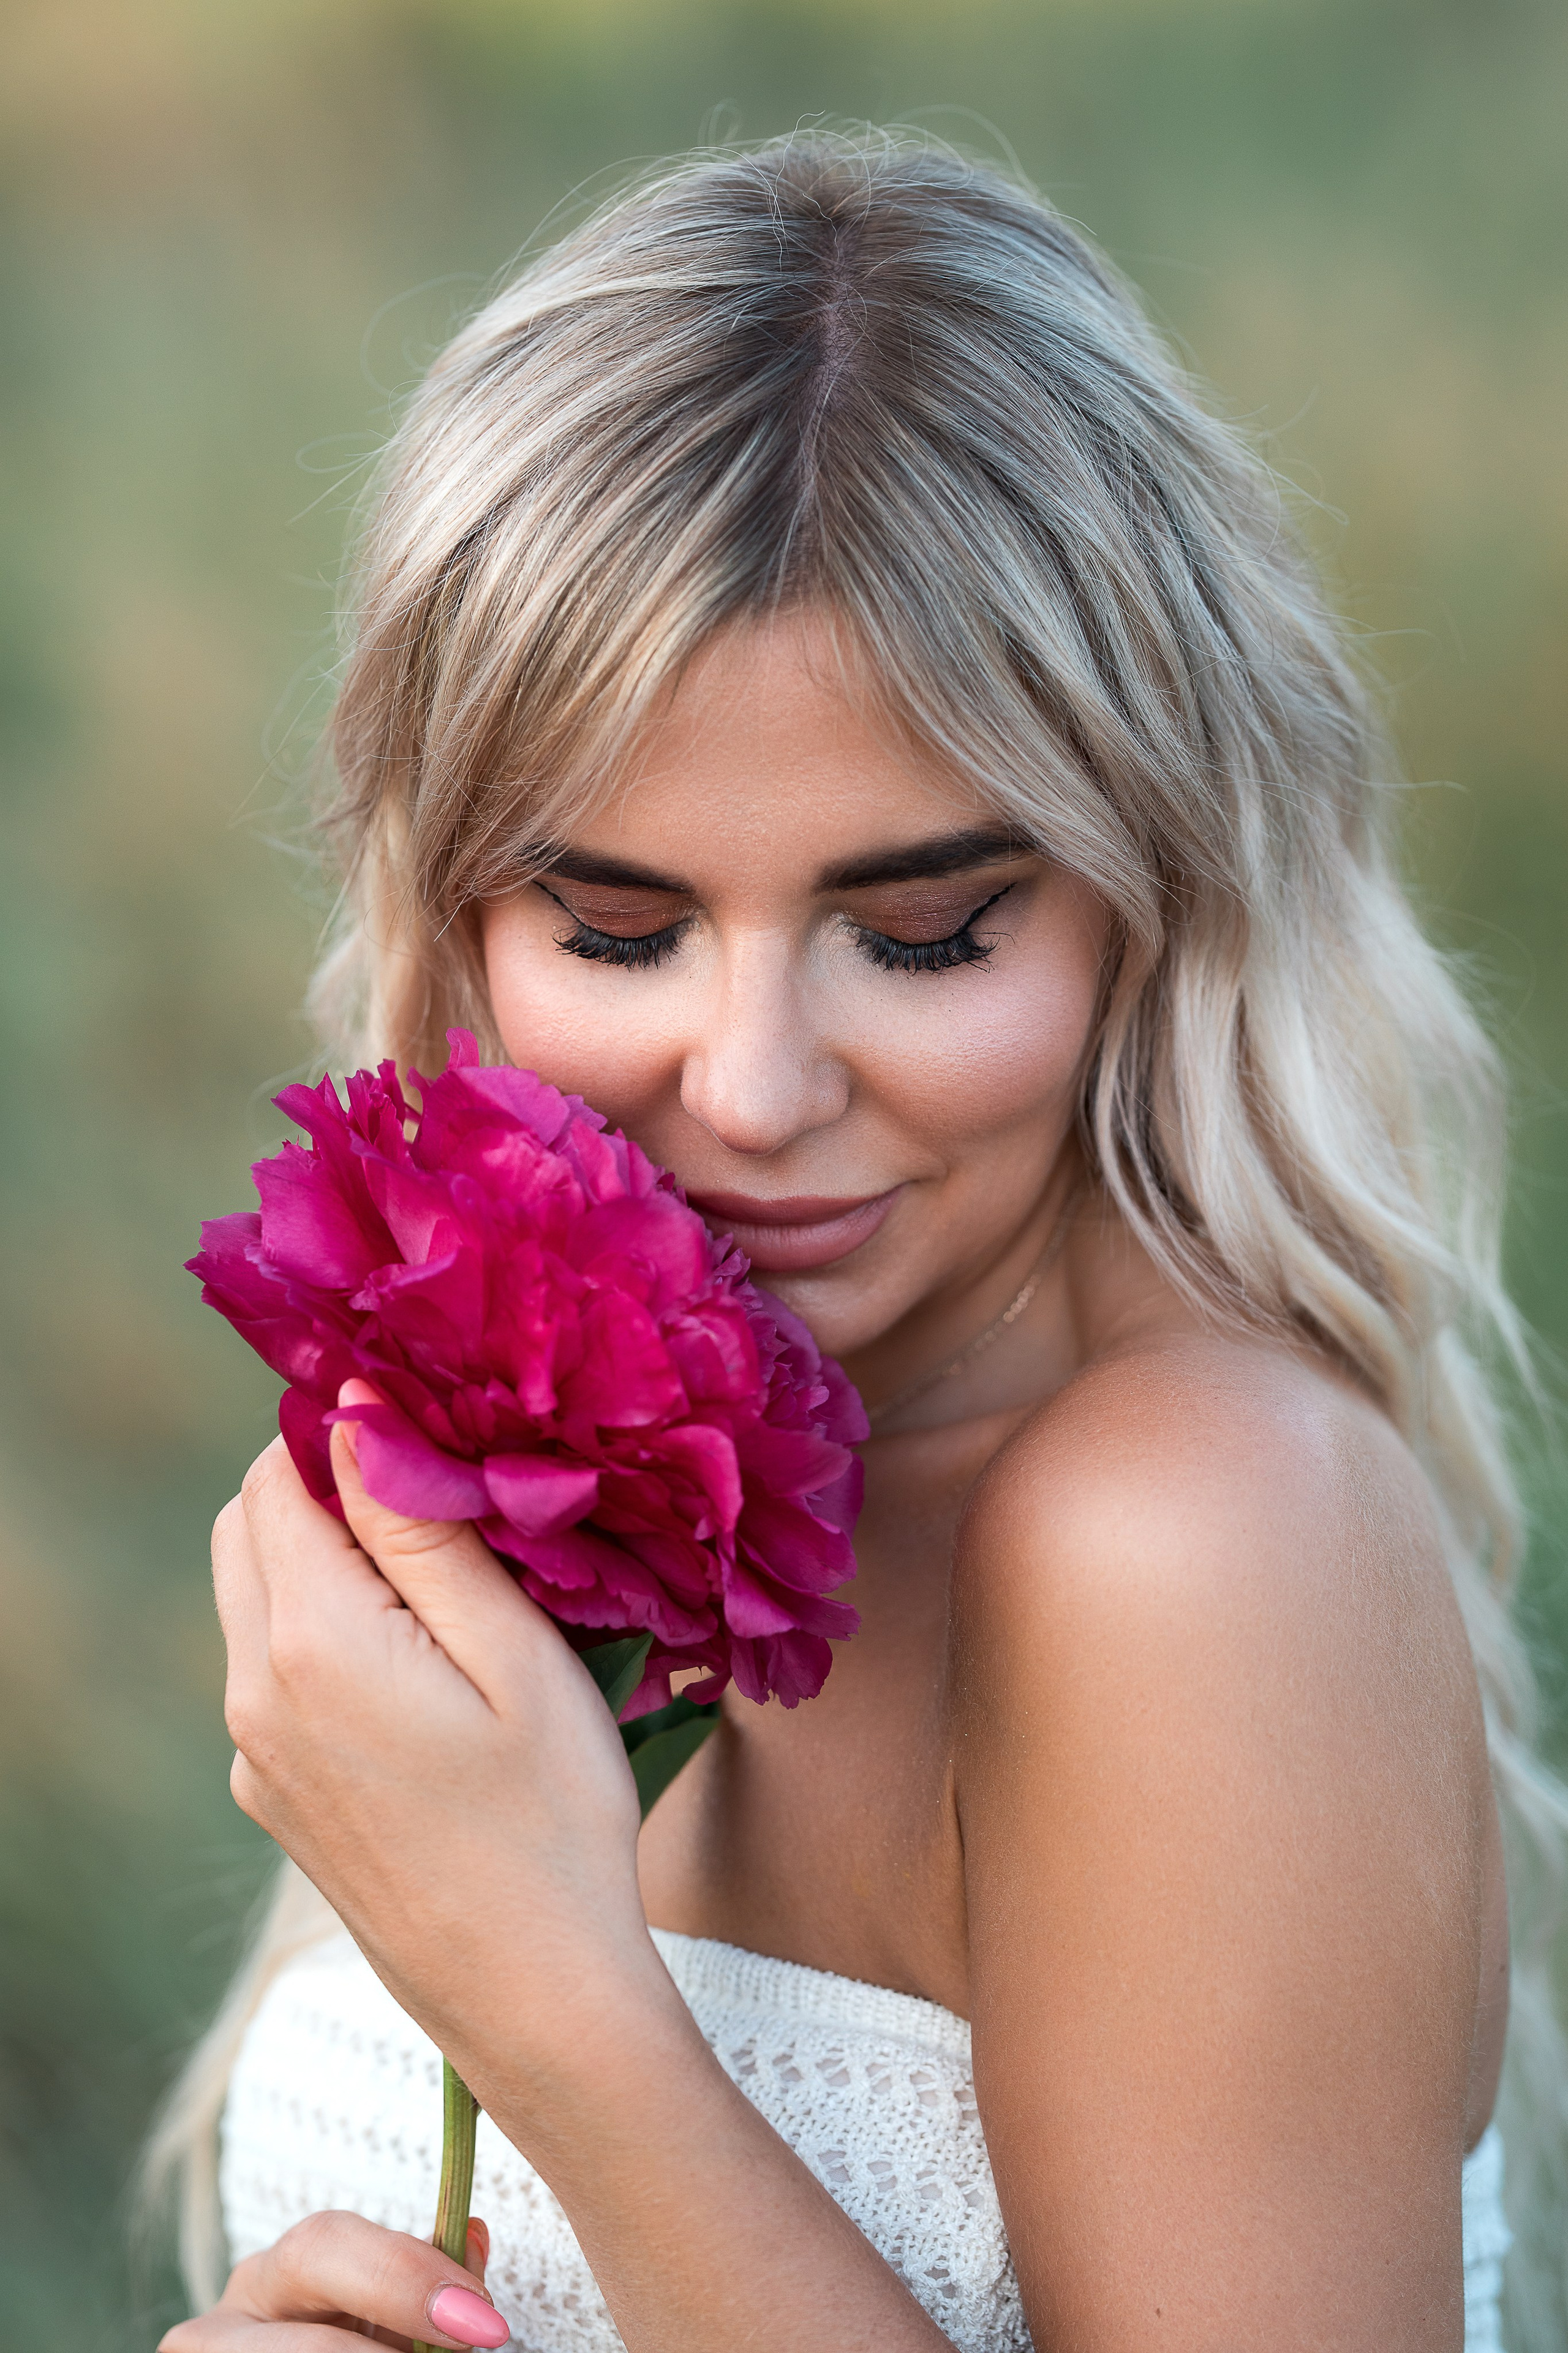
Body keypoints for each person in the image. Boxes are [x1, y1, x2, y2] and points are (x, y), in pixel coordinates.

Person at [145, 131, 1567, 2352]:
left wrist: (566, 2024)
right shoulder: (536, 1452)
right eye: (615, 925)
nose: (753, 1085)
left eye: (922, 931)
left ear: (1151, 889)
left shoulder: (1196, 1534)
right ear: (460, 914)